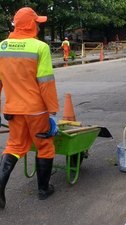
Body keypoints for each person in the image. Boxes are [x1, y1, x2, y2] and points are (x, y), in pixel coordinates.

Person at [0, 7, 59, 209]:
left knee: (14, 146)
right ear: (29, 24)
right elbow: (46, 82)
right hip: (36, 110)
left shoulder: (2, 47)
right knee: (44, 146)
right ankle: (43, 190)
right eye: (36, 23)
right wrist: (52, 110)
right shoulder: (39, 47)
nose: (38, 26)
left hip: (13, 109)